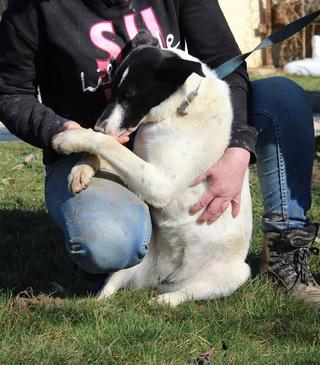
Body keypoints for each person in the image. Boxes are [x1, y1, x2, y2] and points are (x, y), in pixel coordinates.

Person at [0, 0, 319, 304]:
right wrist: (63, 130)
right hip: (88, 150)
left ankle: (285, 251)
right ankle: (125, 238)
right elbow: (10, 93)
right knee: (109, 244)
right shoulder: (32, 8)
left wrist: (237, 147)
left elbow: (225, 62)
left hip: (165, 133)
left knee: (281, 98)